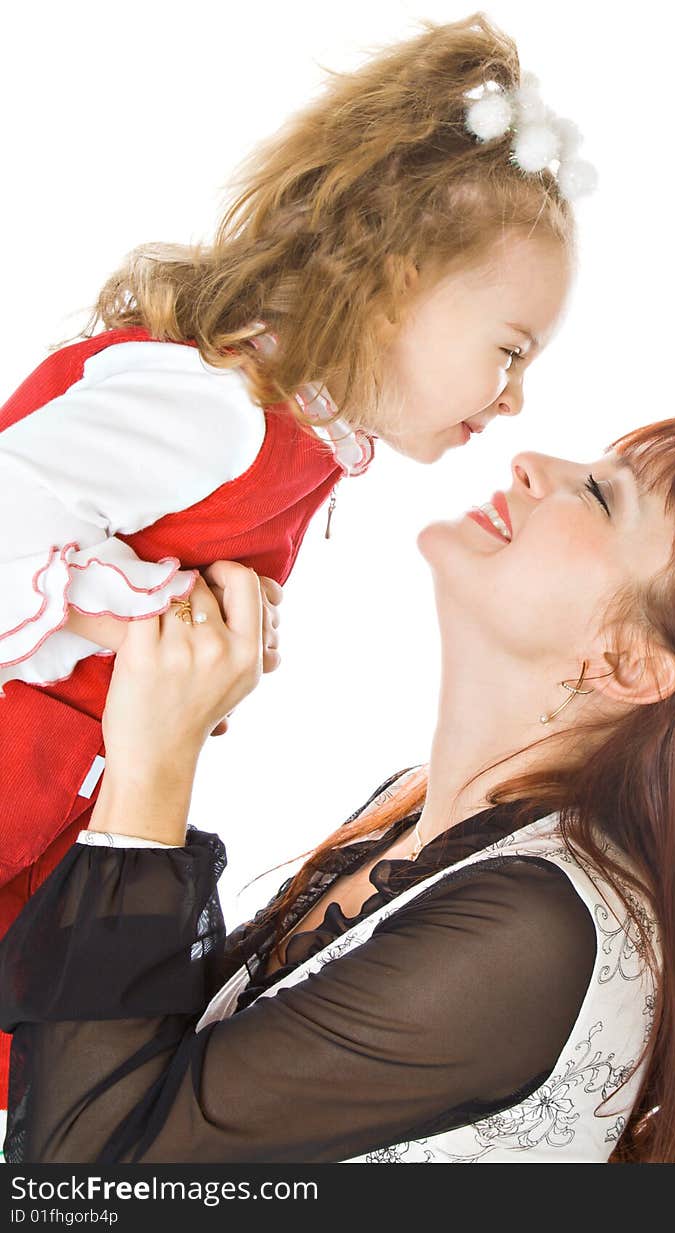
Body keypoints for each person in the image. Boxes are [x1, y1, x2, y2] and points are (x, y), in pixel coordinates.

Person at [0, 12, 585, 1102]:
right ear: (398, 285)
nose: (514, 402)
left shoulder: (291, 441)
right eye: (508, 350)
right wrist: (146, 620)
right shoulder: (214, 407)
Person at [0, 417, 675, 1163]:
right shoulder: (415, 816)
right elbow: (138, 1078)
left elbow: (83, 1176)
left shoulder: (538, 930)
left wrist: (154, 762)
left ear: (628, 663)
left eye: (597, 494)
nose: (530, 462)